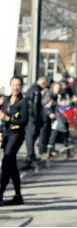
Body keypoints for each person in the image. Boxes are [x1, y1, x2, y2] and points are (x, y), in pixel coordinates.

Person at [0, 76, 28, 206]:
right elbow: (1, 119)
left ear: (21, 86)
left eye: (18, 85)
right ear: (10, 85)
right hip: (6, 134)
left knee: (7, 160)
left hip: (17, 134)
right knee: (10, 164)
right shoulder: (6, 100)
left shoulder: (23, 102)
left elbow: (24, 121)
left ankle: (0, 193)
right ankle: (18, 195)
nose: (16, 87)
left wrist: (9, 119)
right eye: (14, 84)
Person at [24, 77, 48, 169]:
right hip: (32, 117)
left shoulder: (32, 89)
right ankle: (30, 155)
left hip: (31, 117)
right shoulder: (36, 91)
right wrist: (35, 117)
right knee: (31, 136)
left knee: (31, 136)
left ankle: (31, 154)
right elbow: (34, 105)